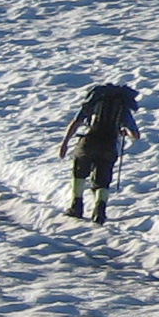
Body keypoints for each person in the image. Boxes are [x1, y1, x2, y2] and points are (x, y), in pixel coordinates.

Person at [58, 83, 142, 224]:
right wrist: (123, 131)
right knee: (103, 179)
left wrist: (65, 143)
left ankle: (76, 206)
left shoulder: (94, 102)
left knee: (79, 171)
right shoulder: (123, 109)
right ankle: (99, 212)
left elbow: (77, 122)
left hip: (89, 141)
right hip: (109, 145)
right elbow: (136, 135)